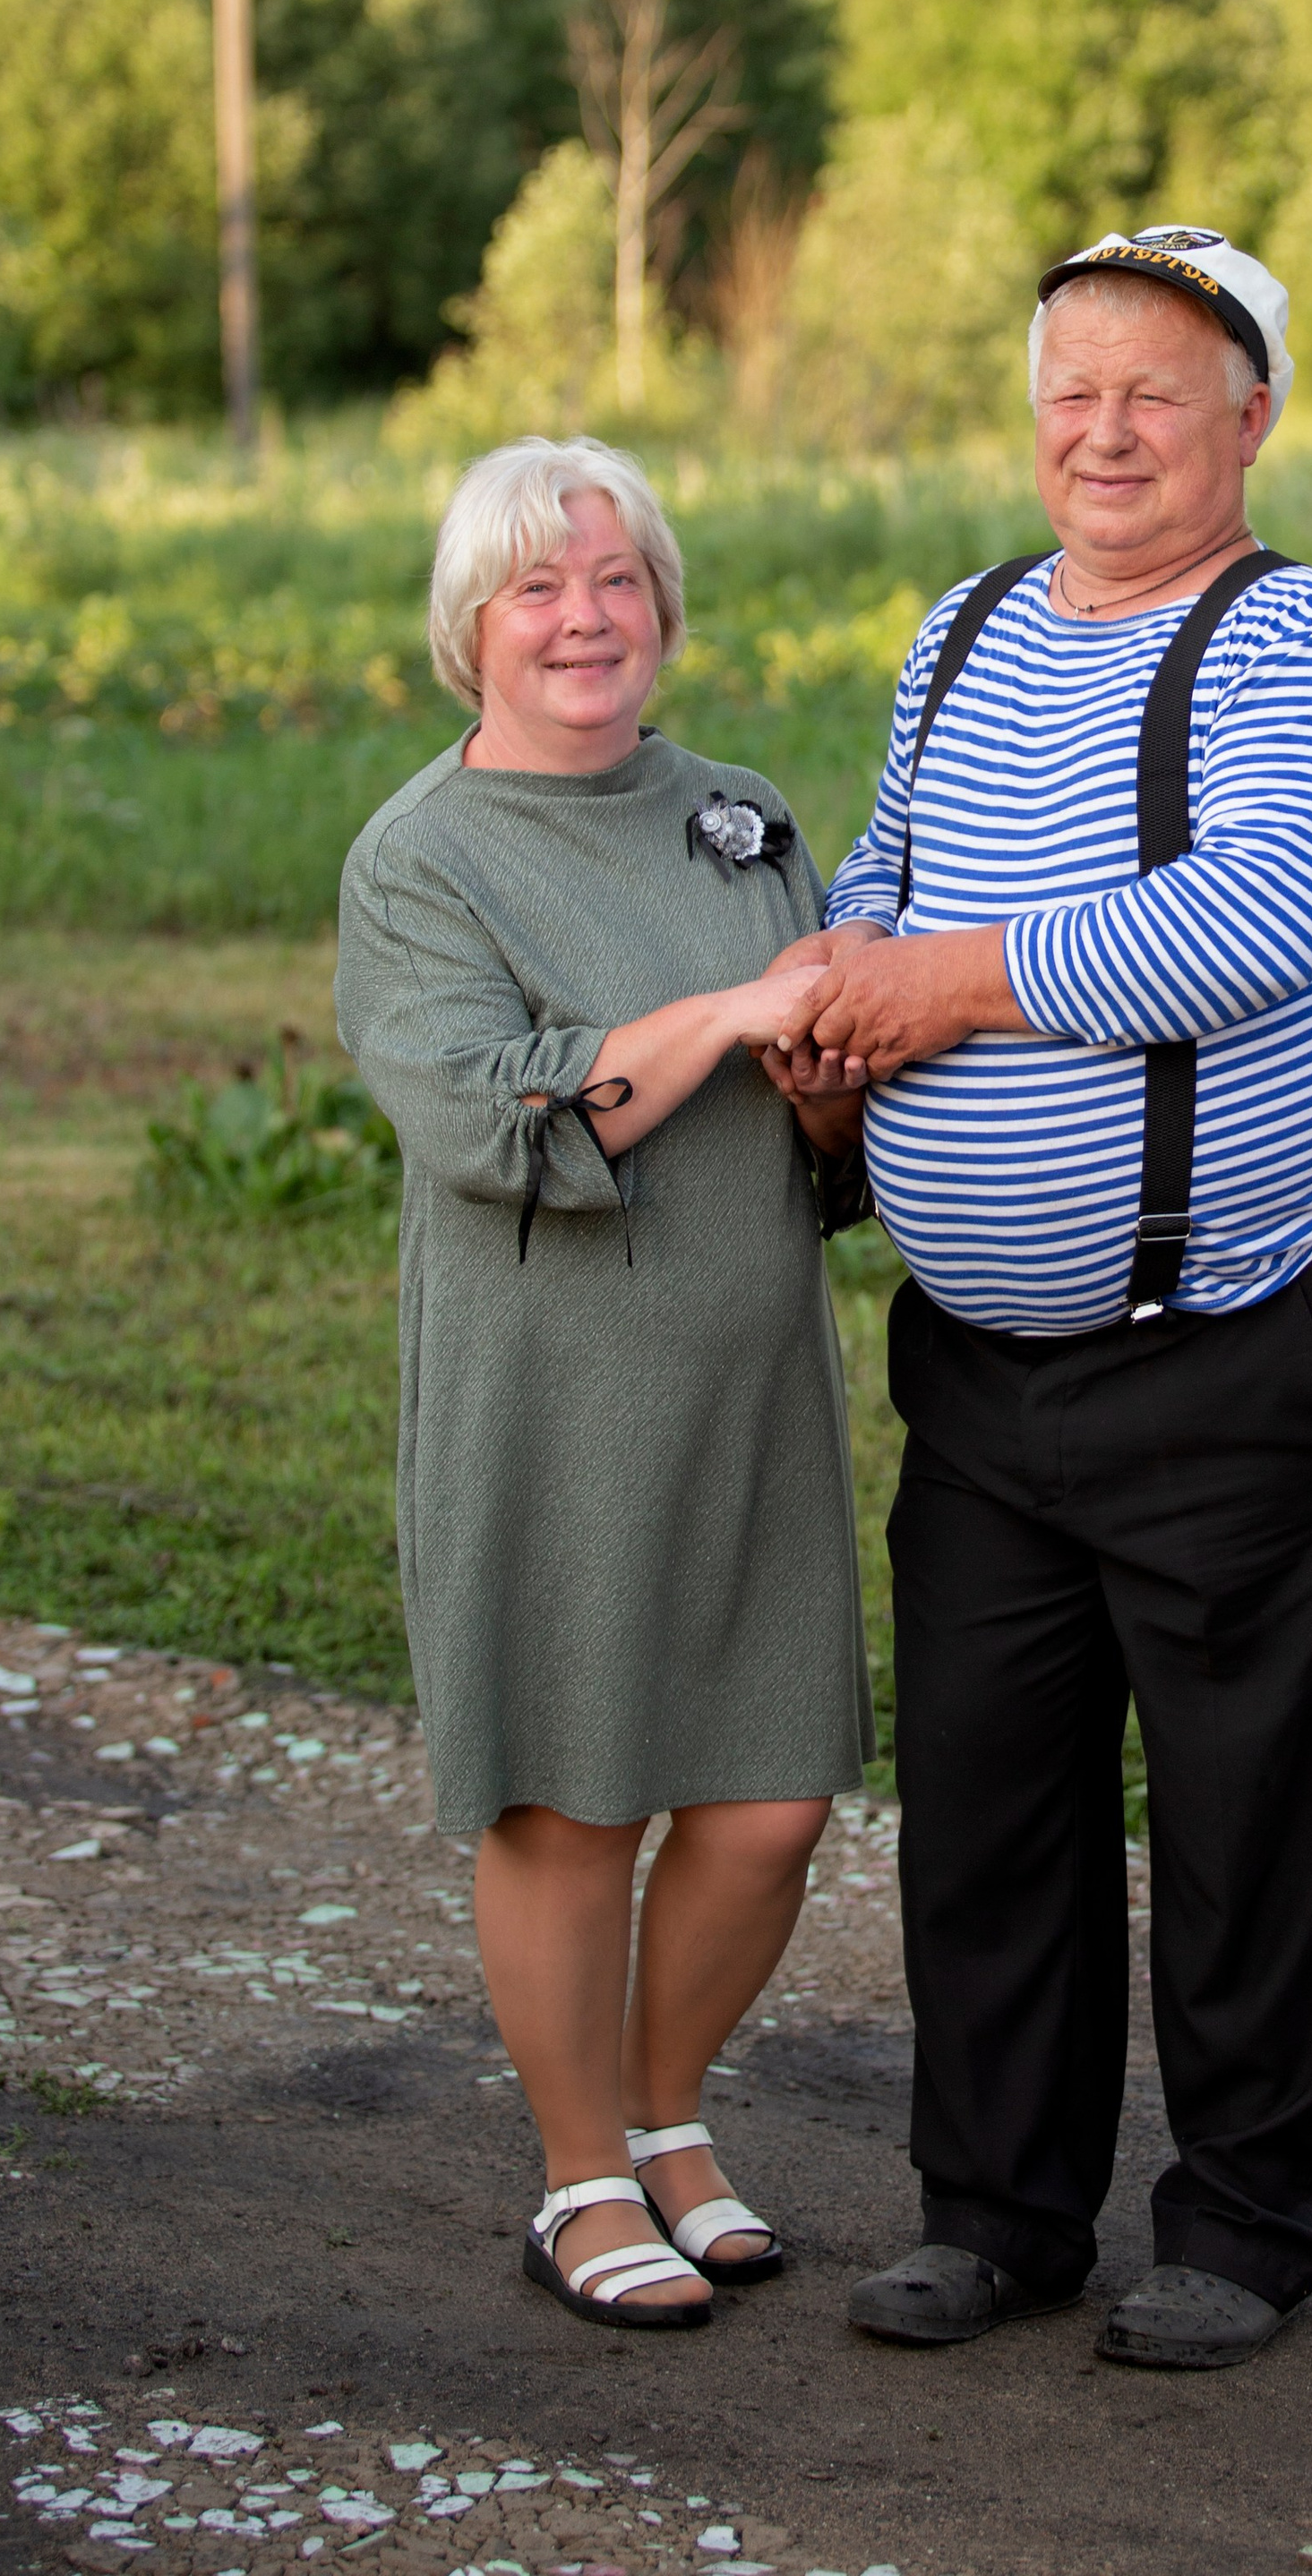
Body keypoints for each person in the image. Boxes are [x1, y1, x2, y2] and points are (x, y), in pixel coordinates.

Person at [762, 227, 1312, 2372]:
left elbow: (1241, 920)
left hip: (1238, 1337)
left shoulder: (1306, 643)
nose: (1105, 430)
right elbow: (884, 864)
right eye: (1071, 389)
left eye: (1156, 390)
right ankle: (995, 2213)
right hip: (979, 1365)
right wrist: (837, 1005)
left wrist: (923, 988)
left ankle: (1244, 2226)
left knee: (1250, 1805)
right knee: (989, 1800)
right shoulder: (960, 626)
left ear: (1253, 416)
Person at [336, 435, 873, 2334]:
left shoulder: (740, 812)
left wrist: (827, 1097)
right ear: (469, 626)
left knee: (763, 1802)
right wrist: (736, 1013)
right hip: (549, 1389)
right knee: (570, 1797)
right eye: (536, 588)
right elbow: (497, 1124)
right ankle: (578, 2169)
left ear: (661, 605)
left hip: (747, 1380)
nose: (582, 618)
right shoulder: (420, 859)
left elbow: (828, 1139)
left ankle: (669, 2116)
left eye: (615, 579)